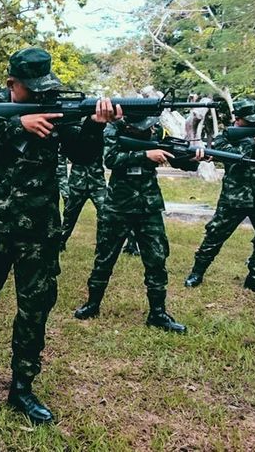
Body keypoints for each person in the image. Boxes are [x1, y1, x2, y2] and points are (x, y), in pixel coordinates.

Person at [0, 48, 120, 425]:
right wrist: (18, 126)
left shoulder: (56, 103)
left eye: (42, 89)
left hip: (39, 227)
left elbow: (82, 154)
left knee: (34, 307)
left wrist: (97, 125)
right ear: (11, 84)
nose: (38, 96)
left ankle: (22, 387)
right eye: (29, 89)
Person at [73, 116, 203, 331]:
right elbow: (110, 159)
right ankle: (92, 304)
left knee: (157, 259)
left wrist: (194, 159)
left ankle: (158, 314)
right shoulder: (112, 129)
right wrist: (145, 155)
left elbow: (175, 157)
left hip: (148, 206)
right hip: (118, 206)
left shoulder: (158, 130)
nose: (149, 127)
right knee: (104, 258)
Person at [185, 99, 255, 295]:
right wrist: (253, 142)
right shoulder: (224, 138)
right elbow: (226, 155)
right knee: (214, 236)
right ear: (238, 118)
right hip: (234, 198)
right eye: (248, 120)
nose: (253, 124)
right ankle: (197, 273)